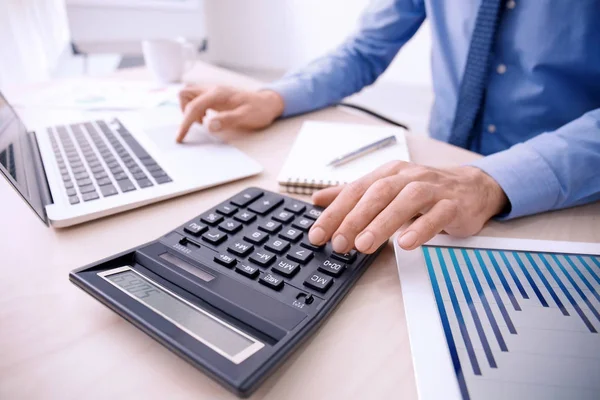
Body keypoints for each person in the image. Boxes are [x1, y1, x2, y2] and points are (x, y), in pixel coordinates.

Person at [176, 0, 600, 255]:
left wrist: (491, 182)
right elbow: (365, 49)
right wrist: (274, 97)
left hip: (566, 200)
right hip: (439, 167)